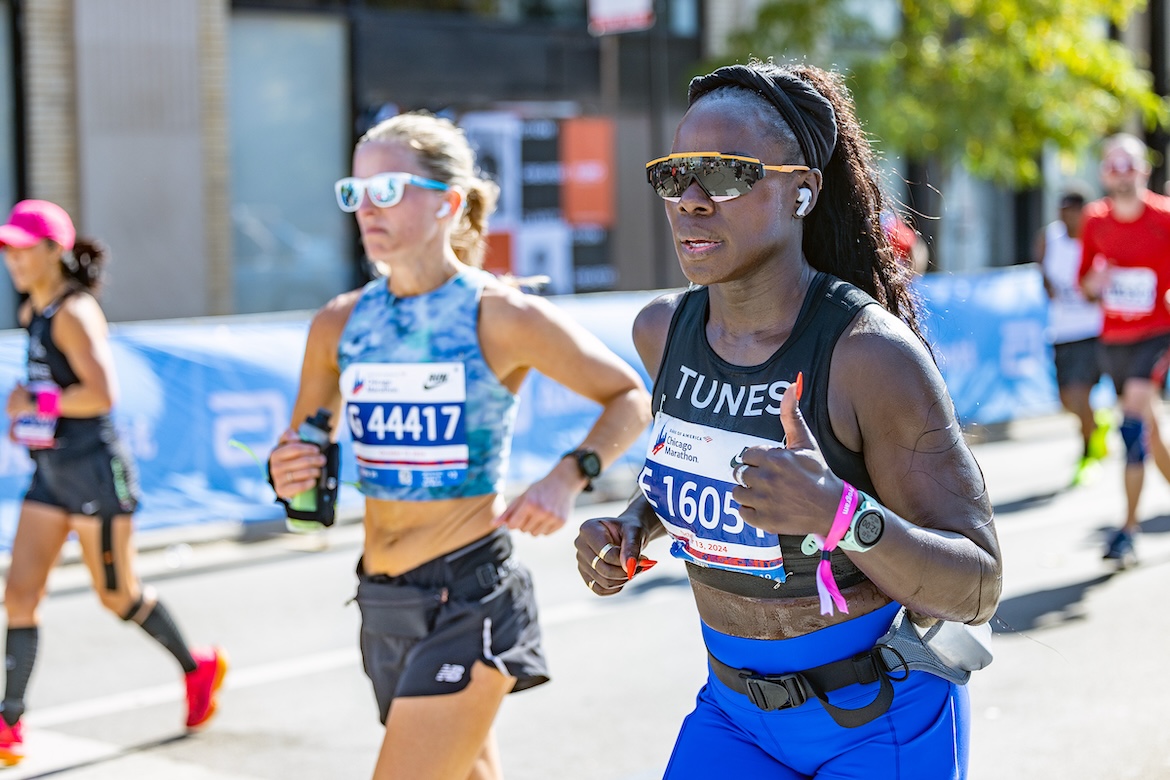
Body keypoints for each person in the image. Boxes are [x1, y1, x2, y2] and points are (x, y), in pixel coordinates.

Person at [575, 60, 1001, 778]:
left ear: (802, 191)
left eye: (727, 174)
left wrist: (840, 514)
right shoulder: (663, 332)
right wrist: (633, 527)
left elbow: (979, 586)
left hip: (876, 721)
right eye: (675, 175)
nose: (692, 199)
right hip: (733, 715)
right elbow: (703, 463)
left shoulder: (868, 357)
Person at [266, 111, 650, 780]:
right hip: (382, 601)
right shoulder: (339, 322)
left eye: (387, 191)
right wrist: (286, 470)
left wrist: (567, 477)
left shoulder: (499, 314)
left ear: (446, 203)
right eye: (354, 193)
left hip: (469, 598)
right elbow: (304, 455)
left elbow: (630, 396)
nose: (366, 209)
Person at [0, 200, 227, 766]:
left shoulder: (74, 313)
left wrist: (39, 403)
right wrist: (23, 414)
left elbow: (102, 393)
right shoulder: (35, 311)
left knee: (118, 596)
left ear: (55, 251)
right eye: (8, 248)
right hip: (51, 474)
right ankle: (9, 721)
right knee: (20, 595)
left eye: (24, 248)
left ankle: (197, 666)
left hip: (98, 474)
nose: (14, 260)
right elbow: (44, 398)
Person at [1078, 133, 1170, 563]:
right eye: (1113, 166)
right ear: (1103, 174)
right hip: (1113, 339)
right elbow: (1086, 283)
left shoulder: (1164, 218)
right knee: (1149, 426)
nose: (1121, 173)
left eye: (1129, 164)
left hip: (1156, 336)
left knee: (1132, 428)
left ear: (1144, 169)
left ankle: (1127, 530)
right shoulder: (1095, 222)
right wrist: (1094, 284)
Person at [1033, 187, 1111, 487]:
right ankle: (1097, 423)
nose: (1066, 218)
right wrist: (1047, 283)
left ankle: (1088, 454)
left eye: (1072, 212)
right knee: (1067, 401)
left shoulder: (1098, 237)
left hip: (1093, 329)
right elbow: (1043, 270)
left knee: (1081, 394)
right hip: (1062, 330)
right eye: (1062, 211)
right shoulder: (1049, 238)